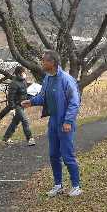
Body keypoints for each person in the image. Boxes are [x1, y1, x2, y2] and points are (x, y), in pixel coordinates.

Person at [21, 51, 82, 197]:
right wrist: (31, 102)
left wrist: (68, 121)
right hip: (53, 121)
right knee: (53, 155)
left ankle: (76, 186)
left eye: (44, 61)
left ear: (52, 62)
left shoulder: (66, 79)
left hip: (65, 122)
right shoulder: (48, 78)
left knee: (67, 155)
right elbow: (43, 97)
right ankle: (58, 185)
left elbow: (74, 102)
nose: (42, 64)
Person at [2, 66, 35, 146]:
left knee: (15, 122)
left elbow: (24, 93)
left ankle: (6, 138)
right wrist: (12, 108)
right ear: (19, 73)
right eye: (24, 72)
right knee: (25, 120)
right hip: (17, 106)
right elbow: (10, 97)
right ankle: (30, 138)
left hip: (22, 104)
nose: (25, 74)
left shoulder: (23, 81)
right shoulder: (14, 83)